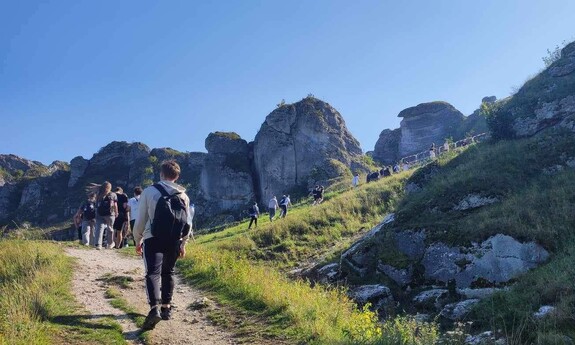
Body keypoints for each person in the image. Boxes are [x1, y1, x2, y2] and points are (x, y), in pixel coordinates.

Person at [133, 160, 192, 331]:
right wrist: (183, 243)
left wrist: (138, 240)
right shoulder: (184, 196)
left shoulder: (150, 191)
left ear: (161, 174)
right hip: (174, 239)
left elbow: (141, 219)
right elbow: (187, 222)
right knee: (169, 272)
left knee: (152, 273)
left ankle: (154, 310)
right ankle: (166, 308)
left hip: (153, 238)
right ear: (177, 176)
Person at [91, 181, 118, 250]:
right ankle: (109, 244)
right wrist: (116, 212)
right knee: (110, 228)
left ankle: (98, 244)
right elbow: (115, 205)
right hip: (110, 214)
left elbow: (96, 204)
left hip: (100, 213)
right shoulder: (113, 194)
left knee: (99, 228)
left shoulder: (99, 194)